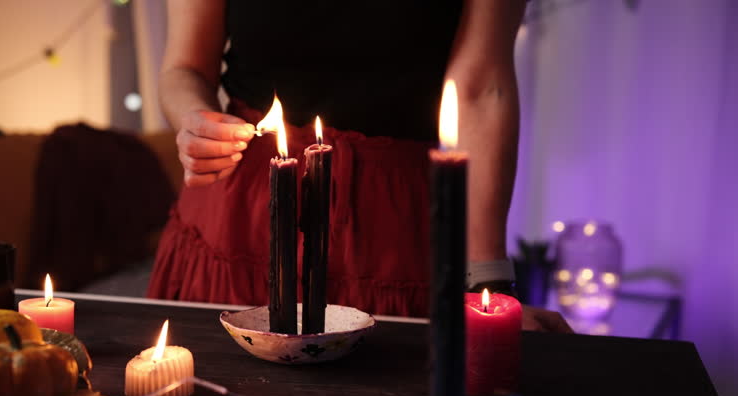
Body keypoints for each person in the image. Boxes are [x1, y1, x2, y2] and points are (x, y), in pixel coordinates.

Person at [147, 0, 572, 333]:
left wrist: (488, 287)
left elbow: (481, 88)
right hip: (239, 213)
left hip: (397, 229)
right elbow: (183, 68)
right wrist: (193, 118)